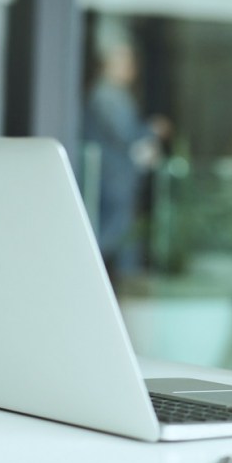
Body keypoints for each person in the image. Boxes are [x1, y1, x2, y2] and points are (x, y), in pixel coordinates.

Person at [83, 33, 171, 281]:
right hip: (112, 179)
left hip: (117, 178)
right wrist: (152, 129)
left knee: (123, 236)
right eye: (125, 61)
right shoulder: (106, 95)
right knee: (111, 235)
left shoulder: (113, 95)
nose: (131, 68)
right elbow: (126, 135)